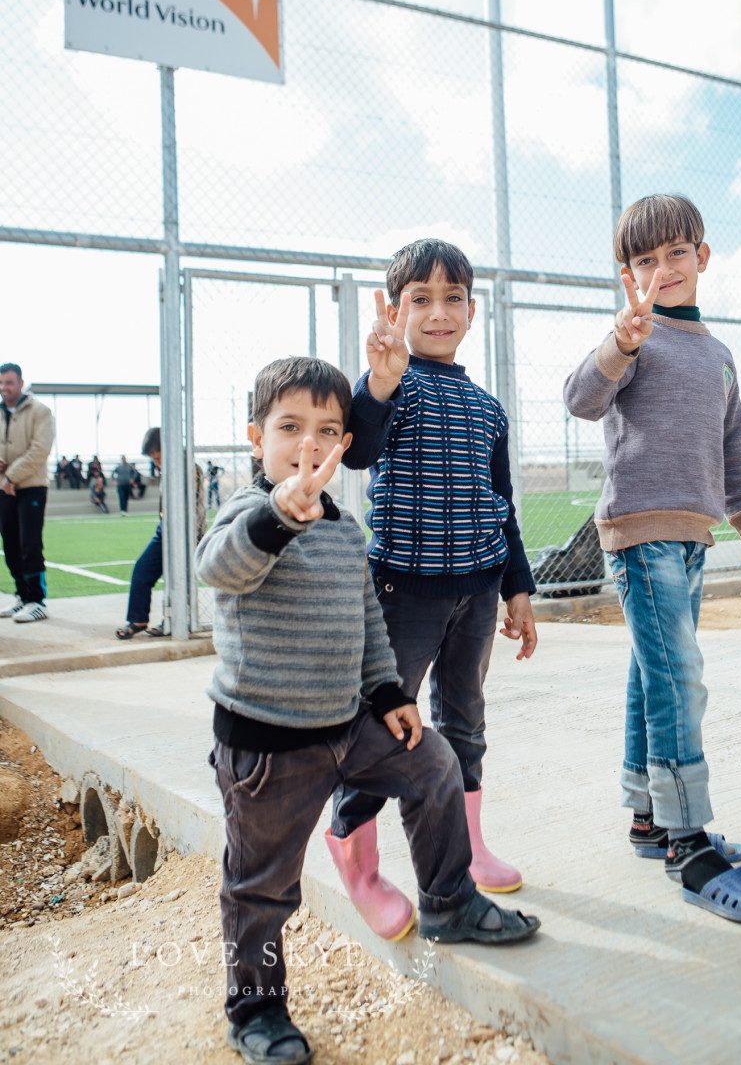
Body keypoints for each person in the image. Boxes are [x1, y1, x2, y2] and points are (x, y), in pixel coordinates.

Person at [198, 356, 539, 1064]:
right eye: (290, 428)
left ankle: (448, 903)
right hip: (267, 746)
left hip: (346, 725)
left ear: (346, 445)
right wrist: (277, 514)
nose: (309, 444)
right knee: (261, 887)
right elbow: (219, 568)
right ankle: (255, 1006)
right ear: (255, 437)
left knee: (436, 764)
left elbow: (364, 620)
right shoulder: (246, 513)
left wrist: (387, 692)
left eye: (327, 429)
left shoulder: (348, 530)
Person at [564, 194, 741, 925]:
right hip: (638, 533)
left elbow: (732, 449)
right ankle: (686, 841)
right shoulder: (635, 337)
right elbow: (579, 398)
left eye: (673, 253)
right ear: (625, 273)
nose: (660, 270)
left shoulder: (719, 357)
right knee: (678, 677)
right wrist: (618, 344)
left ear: (702, 255)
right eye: (642, 260)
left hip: (694, 537)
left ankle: (647, 816)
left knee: (650, 673)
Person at [328, 238, 537, 940]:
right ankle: (357, 862)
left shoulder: (487, 408)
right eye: (421, 299)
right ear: (395, 309)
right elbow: (357, 449)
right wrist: (378, 381)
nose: (438, 312)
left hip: (475, 595)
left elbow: (500, 505)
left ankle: (467, 848)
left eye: (452, 299)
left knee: (464, 724)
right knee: (383, 727)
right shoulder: (394, 384)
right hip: (402, 593)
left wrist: (516, 590)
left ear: (472, 311)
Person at [115, 428, 206, 640]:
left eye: (158, 457)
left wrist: (195, 537)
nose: (156, 463)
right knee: (142, 569)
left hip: (185, 530)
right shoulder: (169, 468)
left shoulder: (188, 468)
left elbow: (192, 509)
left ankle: (175, 620)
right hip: (165, 528)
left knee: (178, 577)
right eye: (153, 459)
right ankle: (138, 618)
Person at [0, 364, 55, 624]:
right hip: (3, 488)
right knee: (9, 544)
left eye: (9, 382)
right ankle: (22, 595)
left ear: (21, 383)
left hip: (31, 486)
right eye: (1, 383)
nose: (4, 388)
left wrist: (11, 475)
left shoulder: (41, 411)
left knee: (29, 544)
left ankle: (37, 600)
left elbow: (40, 450)